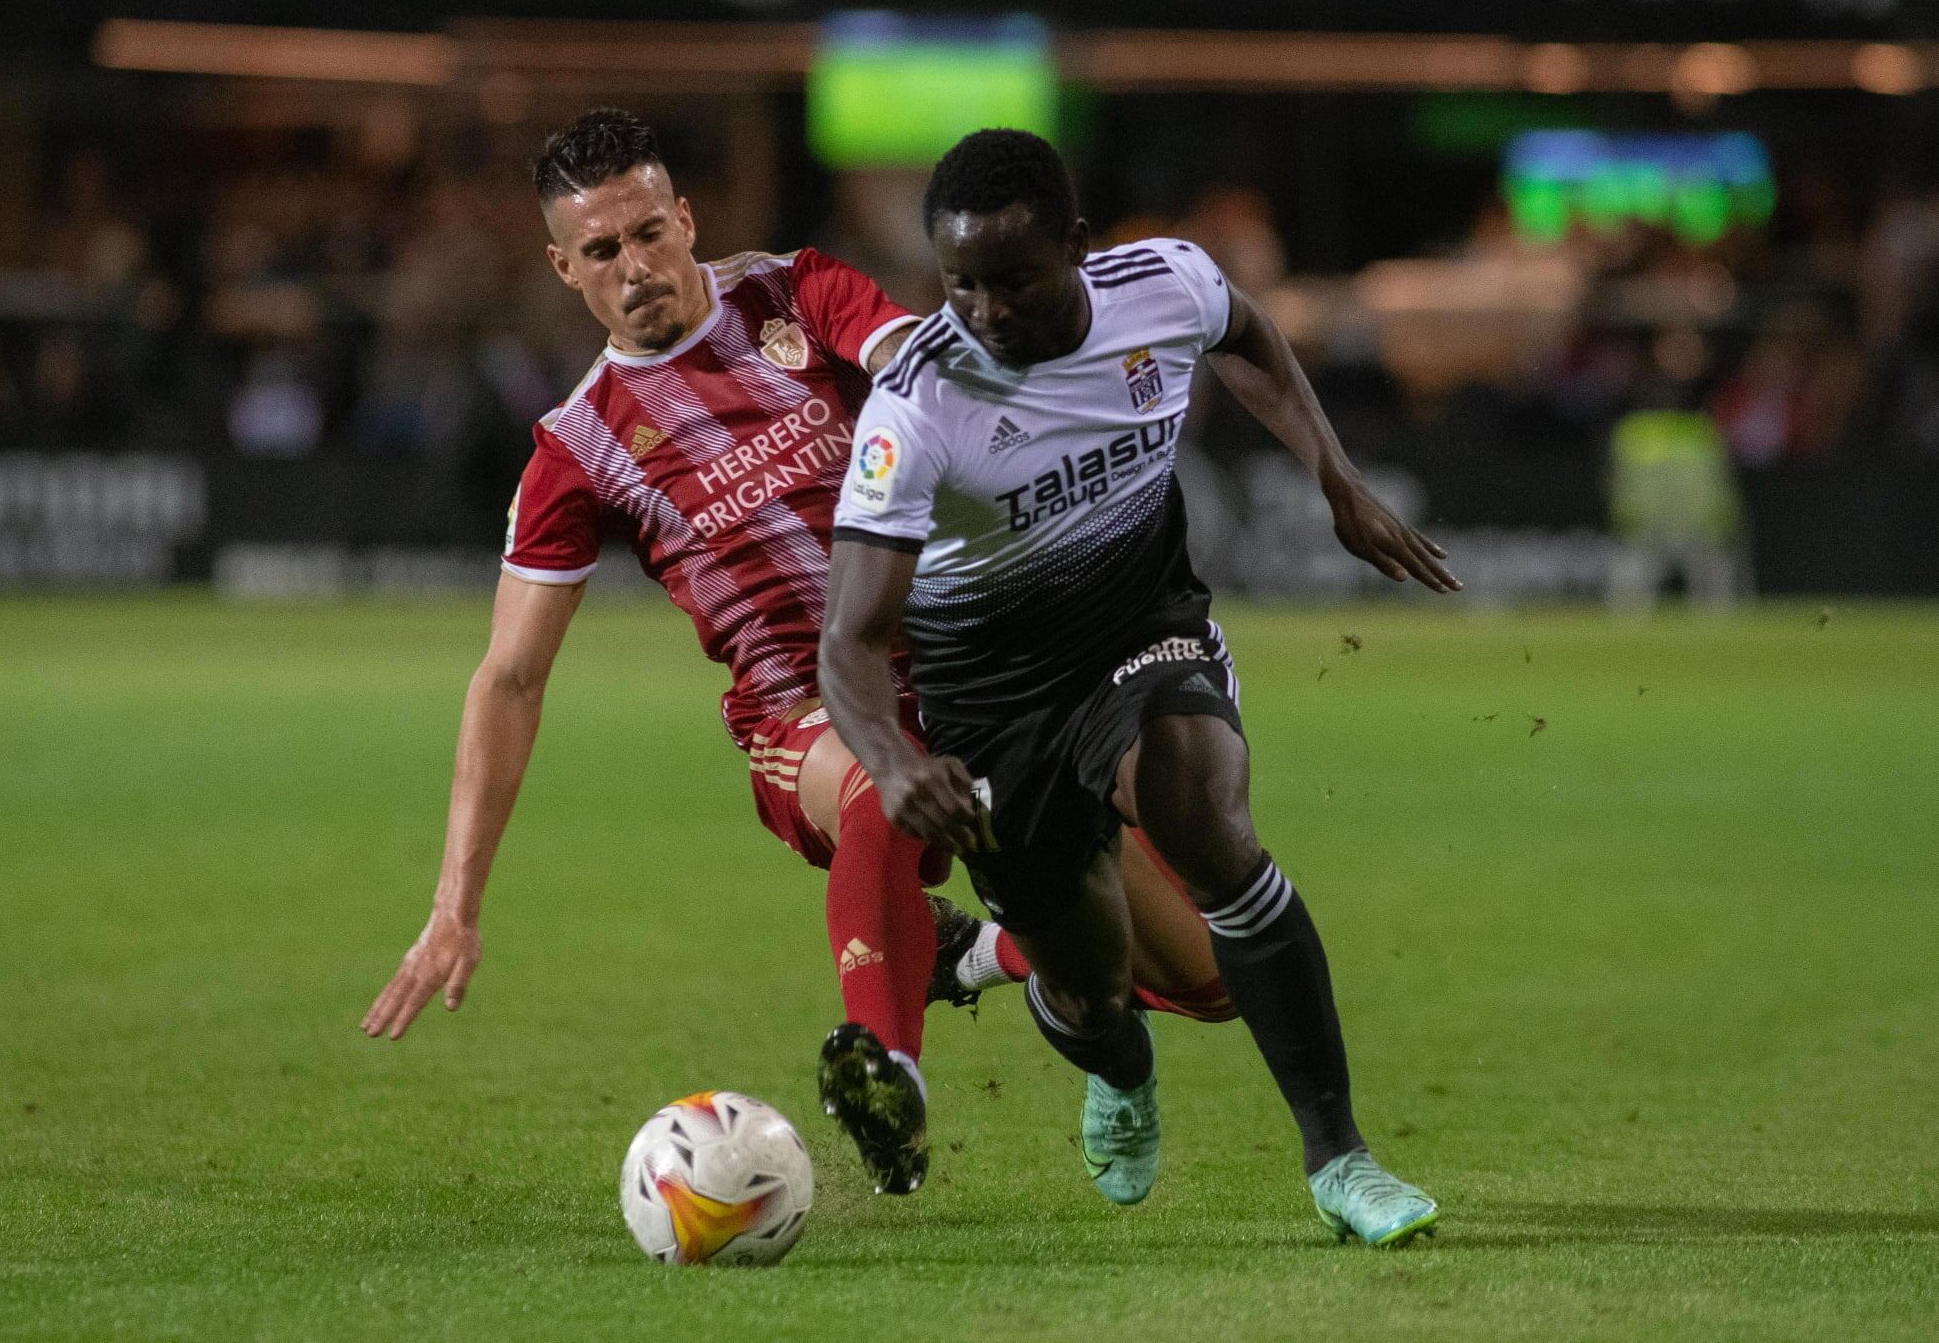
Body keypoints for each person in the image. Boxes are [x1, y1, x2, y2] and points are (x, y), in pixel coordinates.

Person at [359, 110, 1233, 1197]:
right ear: (562, 267)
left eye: (647, 233)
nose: (633, 268)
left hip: (973, 668)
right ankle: (891, 1072)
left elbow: (924, 368)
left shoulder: (795, 292)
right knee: (884, 792)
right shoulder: (574, 448)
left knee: (1211, 978)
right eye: (600, 250)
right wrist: (456, 903)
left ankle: (998, 956)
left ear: (684, 219)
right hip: (804, 710)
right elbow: (511, 675)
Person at [818, 129, 1458, 1244]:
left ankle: (1340, 1159)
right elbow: (850, 640)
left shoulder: (1163, 282)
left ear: (1075, 246)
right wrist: (893, 758)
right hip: (994, 700)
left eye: (1012, 279)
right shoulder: (916, 404)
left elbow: (1249, 334)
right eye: (959, 283)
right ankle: (1116, 1063)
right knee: (1090, 986)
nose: (983, 309)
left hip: (1139, 627)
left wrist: (1335, 478)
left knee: (1199, 807)